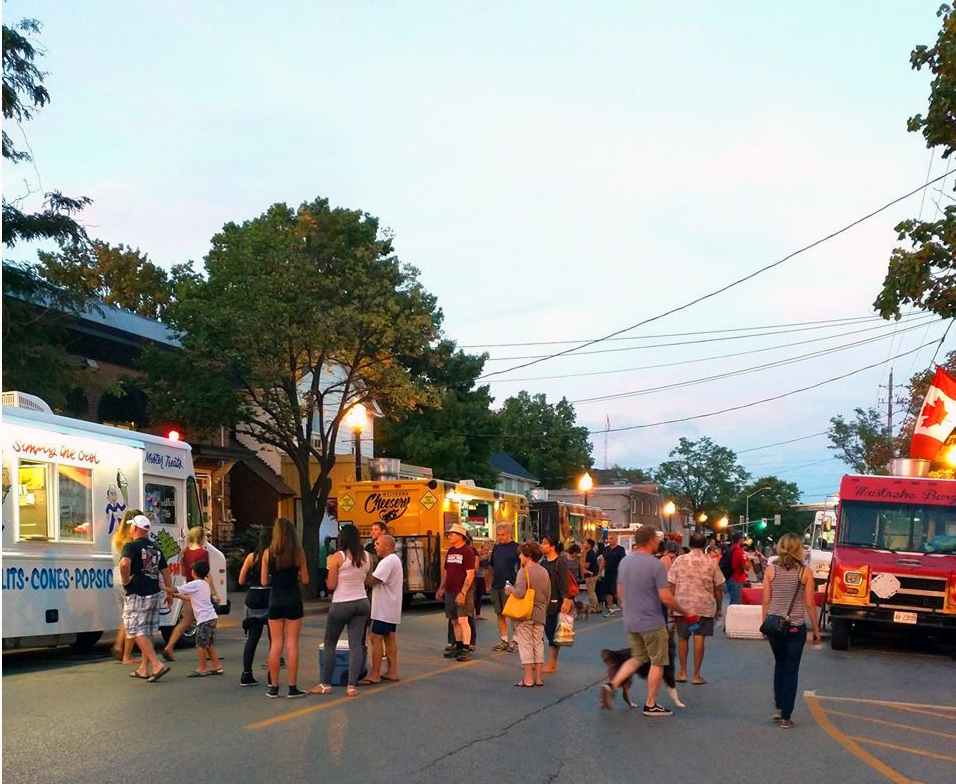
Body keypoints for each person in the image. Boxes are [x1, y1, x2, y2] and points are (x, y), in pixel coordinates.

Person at [600, 525, 695, 717]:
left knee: (638, 657)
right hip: (651, 621)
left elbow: (620, 593)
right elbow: (666, 597)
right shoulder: (656, 565)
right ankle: (651, 704)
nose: (659, 542)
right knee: (658, 661)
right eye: (657, 539)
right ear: (651, 540)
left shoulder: (625, 562)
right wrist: (685, 612)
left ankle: (612, 685)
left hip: (630, 619)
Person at [762, 534, 822, 728]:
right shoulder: (805, 573)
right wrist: (816, 629)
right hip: (795, 627)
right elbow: (810, 604)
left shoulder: (770, 570)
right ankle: (787, 716)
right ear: (799, 550)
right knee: (791, 669)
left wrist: (765, 624)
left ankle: (779, 707)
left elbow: (765, 600)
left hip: (774, 626)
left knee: (779, 665)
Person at [311, 524, 370, 696]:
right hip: (362, 602)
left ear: (342, 538)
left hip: (342, 603)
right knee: (356, 645)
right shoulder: (366, 556)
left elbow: (331, 585)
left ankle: (325, 684)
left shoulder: (338, 557)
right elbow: (366, 578)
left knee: (330, 643)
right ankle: (351, 686)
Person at [119, 514, 171, 682]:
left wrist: (126, 580)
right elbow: (165, 571)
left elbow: (124, 564)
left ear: (135, 528)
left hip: (137, 592)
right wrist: (169, 592)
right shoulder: (156, 548)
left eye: (131, 526)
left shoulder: (130, 546)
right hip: (154, 591)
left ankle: (156, 664)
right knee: (148, 630)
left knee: (134, 629)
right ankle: (143, 668)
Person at [667, 532, 724, 685]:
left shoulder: (679, 560)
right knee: (699, 638)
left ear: (690, 544)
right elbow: (718, 587)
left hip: (682, 605)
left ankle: (683, 672)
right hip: (704, 606)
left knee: (682, 638)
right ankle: (696, 675)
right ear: (705, 545)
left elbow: (671, 583)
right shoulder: (711, 562)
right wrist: (718, 607)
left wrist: (670, 605)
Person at [261, 517, 309, 699]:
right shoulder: (298, 552)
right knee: (292, 645)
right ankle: (292, 687)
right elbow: (305, 579)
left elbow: (264, 581)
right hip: (293, 599)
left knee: (276, 644)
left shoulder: (268, 553)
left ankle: (273, 687)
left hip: (275, 599)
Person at [161, 526, 211, 661]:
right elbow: (206, 573)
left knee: (185, 621)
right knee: (207, 619)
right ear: (202, 538)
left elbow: (183, 572)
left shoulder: (185, 552)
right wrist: (214, 592)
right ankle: (207, 651)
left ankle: (169, 646)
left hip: (189, 585)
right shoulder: (203, 553)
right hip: (201, 588)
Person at [164, 560, 222, 676]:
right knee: (208, 644)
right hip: (211, 617)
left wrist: (162, 587)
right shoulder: (204, 584)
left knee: (200, 644)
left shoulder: (194, 584)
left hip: (204, 619)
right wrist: (177, 596)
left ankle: (202, 668)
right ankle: (217, 666)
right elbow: (192, 599)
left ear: (193, 572)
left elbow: (175, 589)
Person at [505, 541, 551, 687]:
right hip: (540, 613)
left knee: (526, 644)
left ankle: (528, 678)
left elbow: (519, 593)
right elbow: (548, 595)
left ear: (528, 556)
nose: (519, 556)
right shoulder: (544, 572)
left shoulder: (523, 572)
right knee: (538, 644)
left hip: (526, 614)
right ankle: (538, 678)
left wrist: (510, 589)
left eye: (521, 554)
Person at [362, 534, 403, 684]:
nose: (375, 546)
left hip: (383, 609)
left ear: (387, 546)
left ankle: (375, 673)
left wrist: (361, 573)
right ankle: (392, 671)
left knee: (375, 637)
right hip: (390, 607)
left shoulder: (388, 561)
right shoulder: (394, 560)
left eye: (378, 544)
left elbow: (373, 580)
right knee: (389, 637)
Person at [436, 524, 475, 662]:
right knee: (454, 620)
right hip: (450, 590)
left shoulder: (467, 551)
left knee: (463, 619)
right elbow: (446, 572)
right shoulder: (451, 551)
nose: (449, 536)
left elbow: (470, 574)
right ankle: (458, 646)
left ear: (460, 536)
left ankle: (466, 648)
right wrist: (441, 588)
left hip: (462, 591)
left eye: (452, 534)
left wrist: (463, 592)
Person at [237, 527, 272, 686]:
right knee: (274, 639)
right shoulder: (274, 556)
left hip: (253, 597)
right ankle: (273, 674)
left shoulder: (252, 557)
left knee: (252, 638)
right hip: (270, 597)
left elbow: (241, 580)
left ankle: (246, 673)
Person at [111, 508, 142, 664]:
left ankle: (119, 645)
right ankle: (122, 649)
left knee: (125, 613)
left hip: (115, 575)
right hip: (126, 576)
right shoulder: (131, 540)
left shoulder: (116, 537)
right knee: (131, 615)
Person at [539, 535, 571, 674]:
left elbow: (565, 582)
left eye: (545, 543)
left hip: (556, 601)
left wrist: (566, 600)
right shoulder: (543, 562)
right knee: (546, 631)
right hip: (544, 601)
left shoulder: (560, 562)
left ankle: (552, 664)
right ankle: (546, 662)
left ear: (552, 546)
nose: (541, 545)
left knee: (554, 633)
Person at [488, 523, 520, 652]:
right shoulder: (496, 548)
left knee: (513, 615)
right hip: (497, 584)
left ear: (509, 534)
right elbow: (491, 565)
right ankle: (504, 640)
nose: (500, 538)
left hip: (511, 585)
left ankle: (516, 641)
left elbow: (522, 566)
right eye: (498, 535)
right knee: (499, 614)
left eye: (503, 535)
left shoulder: (517, 548)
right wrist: (489, 582)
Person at [600, 533, 626, 616]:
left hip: (617, 573)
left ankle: (624, 606)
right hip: (608, 573)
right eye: (609, 539)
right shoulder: (606, 549)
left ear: (616, 539)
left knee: (615, 591)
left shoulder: (621, 549)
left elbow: (623, 561)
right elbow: (603, 560)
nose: (609, 540)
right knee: (608, 592)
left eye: (611, 539)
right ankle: (611, 609)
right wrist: (599, 572)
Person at [726, 532, 748, 605]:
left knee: (733, 601)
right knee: (736, 604)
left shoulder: (730, 549)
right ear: (740, 540)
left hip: (730, 577)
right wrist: (747, 558)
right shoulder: (739, 551)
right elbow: (747, 567)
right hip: (737, 579)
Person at [582, 538, 601, 612]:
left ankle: (594, 607)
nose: (583, 544)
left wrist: (582, 562)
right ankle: (595, 607)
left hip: (591, 575)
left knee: (591, 591)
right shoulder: (590, 553)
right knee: (592, 591)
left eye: (585, 543)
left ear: (589, 545)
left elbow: (586, 566)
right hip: (591, 574)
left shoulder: (590, 554)